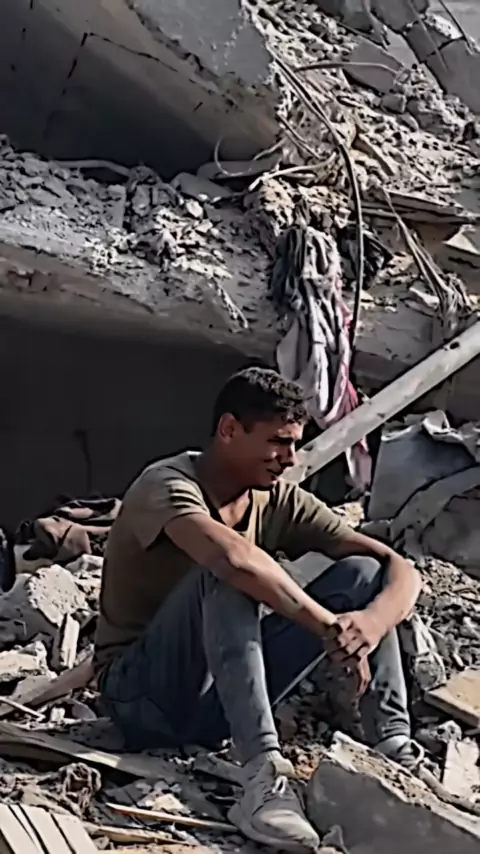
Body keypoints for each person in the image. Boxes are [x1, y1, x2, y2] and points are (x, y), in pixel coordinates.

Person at [94, 367, 421, 852]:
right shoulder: (165, 485)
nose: (290, 459)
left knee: (361, 575)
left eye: (296, 444)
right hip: (142, 698)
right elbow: (233, 560)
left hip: (215, 706)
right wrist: (329, 629)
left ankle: (394, 750)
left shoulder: (275, 498)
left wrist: (367, 627)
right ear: (229, 430)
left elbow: (397, 566)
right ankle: (263, 777)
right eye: (277, 443)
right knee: (229, 573)